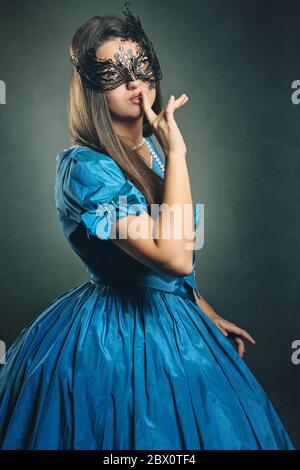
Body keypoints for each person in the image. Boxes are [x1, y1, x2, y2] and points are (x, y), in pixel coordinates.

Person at [0, 2, 295, 450]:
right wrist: (178, 154)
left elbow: (179, 259)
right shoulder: (86, 169)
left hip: (177, 323)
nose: (134, 80)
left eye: (139, 64)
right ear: (93, 90)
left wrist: (205, 311)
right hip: (109, 342)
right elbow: (173, 257)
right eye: (114, 73)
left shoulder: (153, 153)